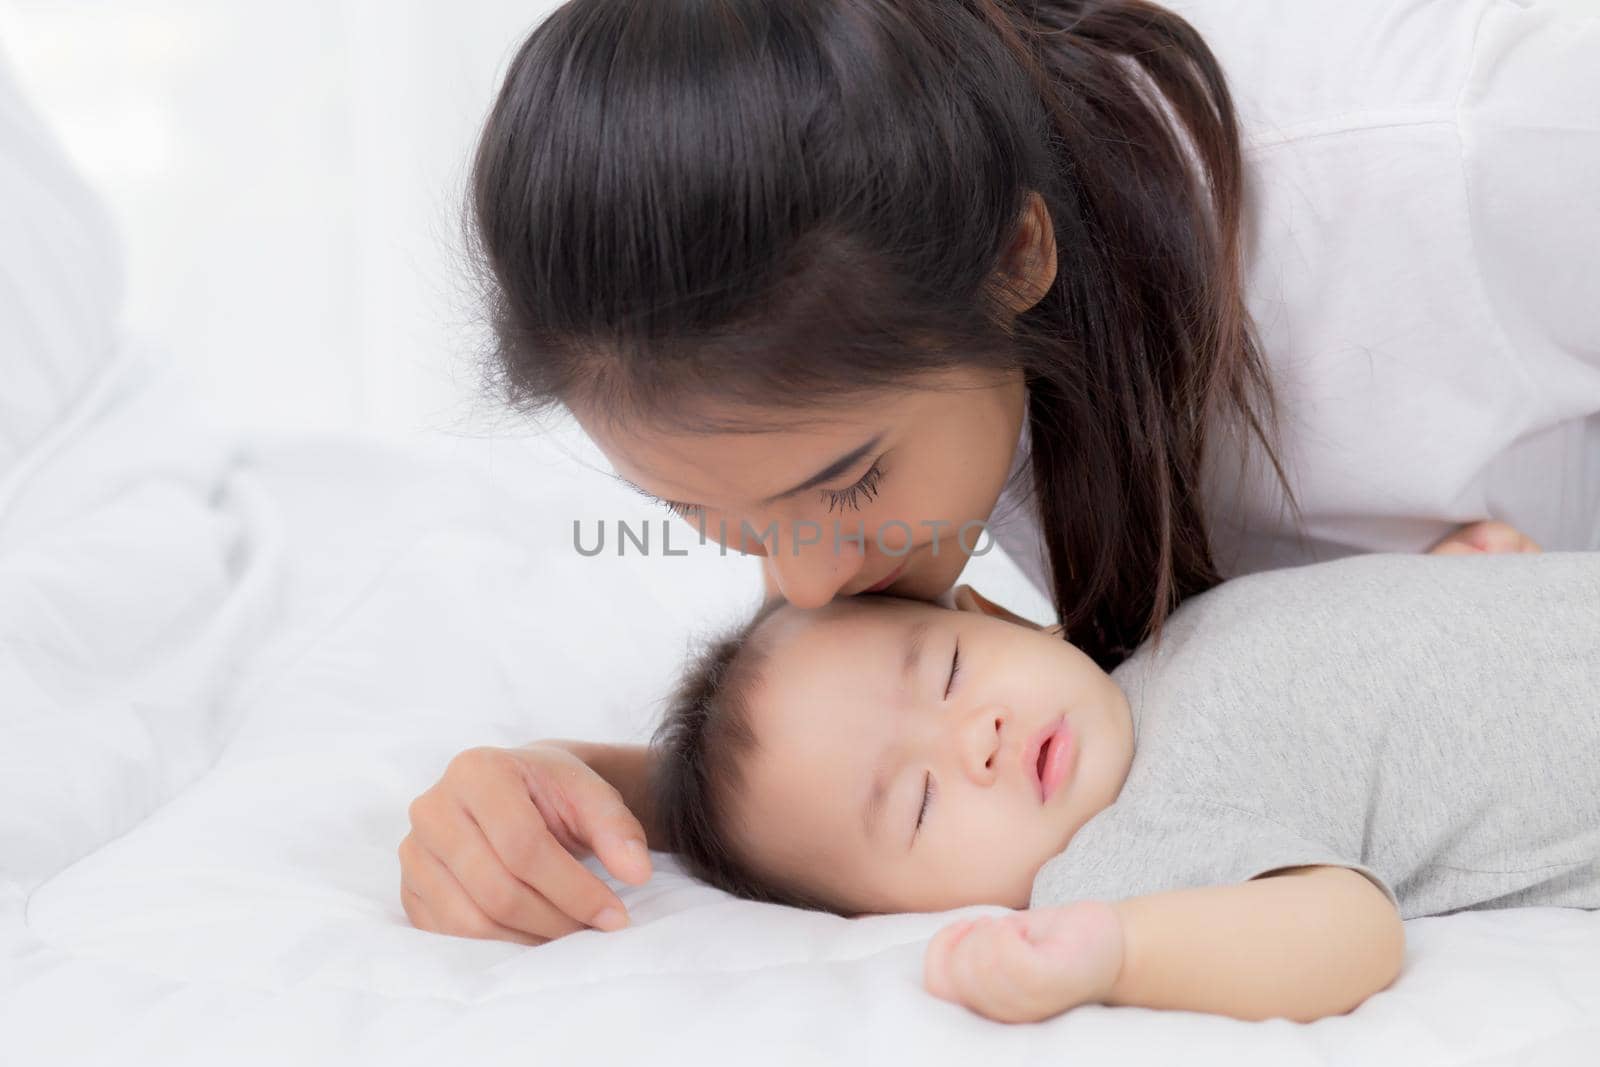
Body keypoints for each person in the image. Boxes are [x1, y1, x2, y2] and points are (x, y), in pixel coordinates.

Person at [398, 0, 1596, 945]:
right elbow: (887, 746)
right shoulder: (916, 354)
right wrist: (586, 786)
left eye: (848, 483)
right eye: (708, 518)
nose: (803, 588)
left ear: (1018, 254)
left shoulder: (1476, 146)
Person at [646, 552, 1600, 1022]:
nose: (975, 739)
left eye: (946, 673)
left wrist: (1454, 584)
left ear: (1002, 615)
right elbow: (1351, 929)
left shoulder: (1153, 636)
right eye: (920, 803)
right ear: (880, 912)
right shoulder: (1123, 855)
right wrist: (1119, 951)